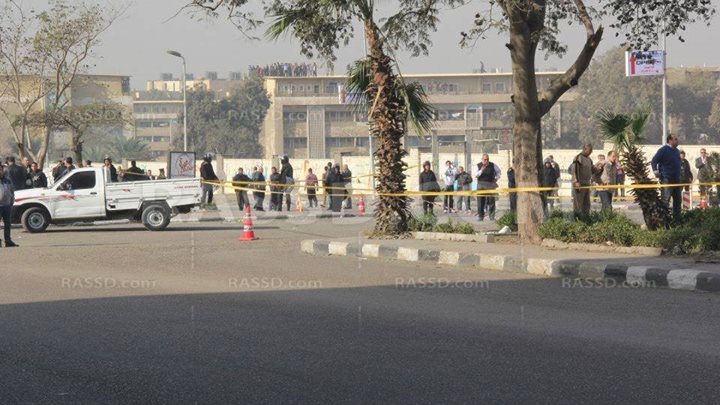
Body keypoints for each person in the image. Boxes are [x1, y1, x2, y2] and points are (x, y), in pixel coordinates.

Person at [652, 134, 682, 221]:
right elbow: (654, 161)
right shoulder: (663, 150)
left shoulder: (677, 151)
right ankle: (664, 221)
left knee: (678, 201)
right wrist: (656, 171)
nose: (677, 141)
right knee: (665, 201)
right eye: (675, 139)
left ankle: (677, 221)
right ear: (670, 140)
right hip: (667, 179)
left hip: (677, 180)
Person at [570, 144, 594, 218]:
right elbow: (574, 170)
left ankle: (586, 218)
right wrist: (576, 181)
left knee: (586, 203)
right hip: (579, 184)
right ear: (585, 149)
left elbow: (592, 169)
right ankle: (577, 219)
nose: (591, 152)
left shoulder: (589, 159)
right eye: (590, 150)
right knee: (578, 203)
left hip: (587, 183)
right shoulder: (578, 158)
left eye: (591, 150)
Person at [475, 154, 501, 221]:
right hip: (481, 184)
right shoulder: (478, 165)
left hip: (490, 184)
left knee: (491, 201)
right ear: (482, 159)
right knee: (480, 201)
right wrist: (481, 170)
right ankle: (481, 216)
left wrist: (496, 178)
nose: (486, 161)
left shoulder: (493, 165)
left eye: (487, 159)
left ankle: (492, 216)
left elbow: (499, 172)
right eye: (484, 159)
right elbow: (476, 175)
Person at [0, 165, 18, 247]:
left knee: (7, 224)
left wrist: (12, 200)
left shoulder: (7, 180)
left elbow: (12, 191)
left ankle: (8, 241)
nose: (0, 171)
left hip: (7, 205)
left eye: (1, 170)